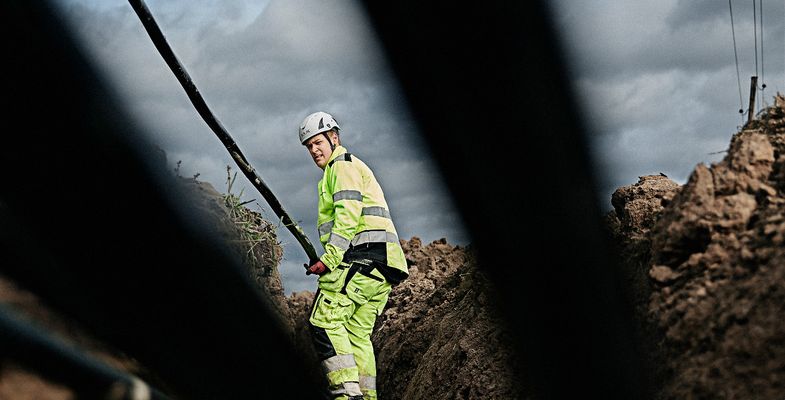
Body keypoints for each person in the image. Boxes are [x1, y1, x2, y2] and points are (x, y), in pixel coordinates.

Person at [299, 111, 408, 400]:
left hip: (366, 257)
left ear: (334, 138)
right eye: (309, 146)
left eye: (318, 142)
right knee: (357, 333)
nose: (314, 150)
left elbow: (348, 216)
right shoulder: (343, 168)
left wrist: (330, 260)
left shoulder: (341, 167)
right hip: (384, 265)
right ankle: (367, 396)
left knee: (324, 319)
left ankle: (347, 395)